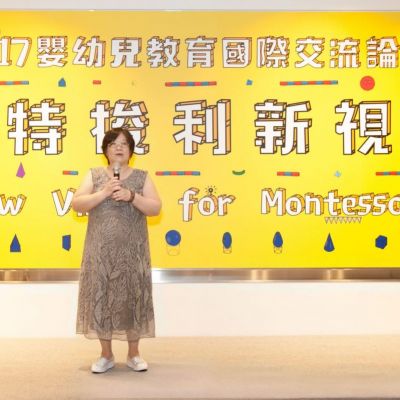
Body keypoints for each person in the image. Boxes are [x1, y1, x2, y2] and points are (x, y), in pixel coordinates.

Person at [72, 127, 162, 374]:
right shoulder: (94, 175)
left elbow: (155, 208)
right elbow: (77, 204)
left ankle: (134, 354)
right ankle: (106, 355)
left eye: (124, 143)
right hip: (100, 253)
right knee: (102, 299)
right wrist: (104, 192)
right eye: (113, 144)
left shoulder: (142, 177)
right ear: (106, 150)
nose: (119, 147)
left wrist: (131, 195)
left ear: (131, 150)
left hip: (133, 252)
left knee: (133, 298)